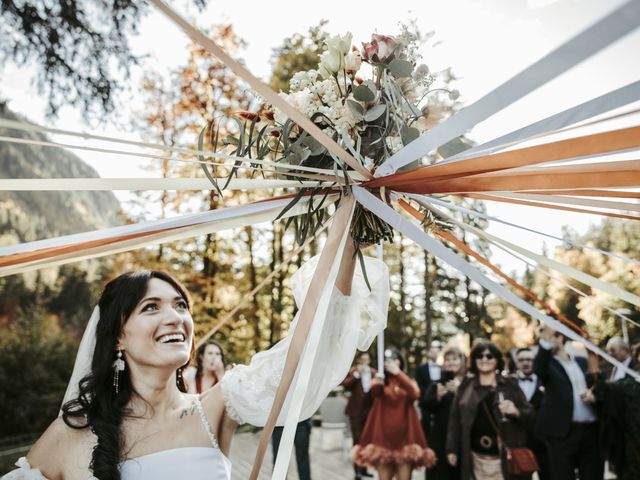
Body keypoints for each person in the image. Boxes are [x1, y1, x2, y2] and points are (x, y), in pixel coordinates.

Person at [5, 237, 390, 480]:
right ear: (119, 336)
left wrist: (347, 238)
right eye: (151, 307)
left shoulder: (216, 408)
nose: (175, 317)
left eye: (180, 305)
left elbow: (309, 347)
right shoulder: (72, 431)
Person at [446, 341, 533, 480]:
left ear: (497, 360)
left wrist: (516, 411)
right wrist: (452, 449)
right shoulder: (466, 386)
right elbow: (455, 419)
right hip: (475, 458)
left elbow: (530, 414)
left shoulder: (509, 384)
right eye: (479, 356)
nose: (484, 359)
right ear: (474, 360)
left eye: (489, 356)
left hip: (504, 457)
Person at [352, 349, 436, 480]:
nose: (392, 362)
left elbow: (415, 394)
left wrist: (399, 374)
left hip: (405, 439)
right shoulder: (379, 380)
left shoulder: (407, 381)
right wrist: (377, 383)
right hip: (382, 440)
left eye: (395, 358)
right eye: (388, 359)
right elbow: (374, 394)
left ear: (401, 361)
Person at [534, 325, 604, 480]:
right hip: (563, 434)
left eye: (551, 336)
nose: (547, 339)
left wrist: (594, 397)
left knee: (593, 474)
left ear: (560, 337)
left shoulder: (581, 361)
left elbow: (598, 382)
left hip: (591, 432)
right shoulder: (548, 365)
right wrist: (545, 342)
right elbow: (539, 368)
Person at [423, 346, 465, 480]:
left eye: (454, 359)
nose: (450, 362)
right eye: (447, 359)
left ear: (462, 361)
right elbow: (425, 405)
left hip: (461, 437)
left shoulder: (469, 383)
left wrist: (459, 393)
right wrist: (437, 397)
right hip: (439, 437)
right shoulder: (437, 384)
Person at [514, 347, 549, 480]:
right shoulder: (510, 384)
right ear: (517, 362)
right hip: (520, 442)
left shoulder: (545, 381)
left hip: (543, 442)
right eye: (521, 360)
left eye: (529, 359)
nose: (525, 363)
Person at [343, 351, 376, 479]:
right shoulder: (353, 372)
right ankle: (357, 471)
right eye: (362, 360)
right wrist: (357, 375)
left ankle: (364, 468)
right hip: (355, 411)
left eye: (367, 360)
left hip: (369, 411)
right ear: (359, 361)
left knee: (367, 440)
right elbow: (346, 384)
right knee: (357, 440)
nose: (365, 362)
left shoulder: (373, 373)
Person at [416, 341, 442, 438]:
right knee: (425, 423)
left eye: (436, 352)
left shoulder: (442, 367)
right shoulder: (421, 368)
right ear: (428, 354)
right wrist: (426, 396)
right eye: (432, 351)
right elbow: (419, 383)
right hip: (425, 400)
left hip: (439, 400)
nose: (434, 354)